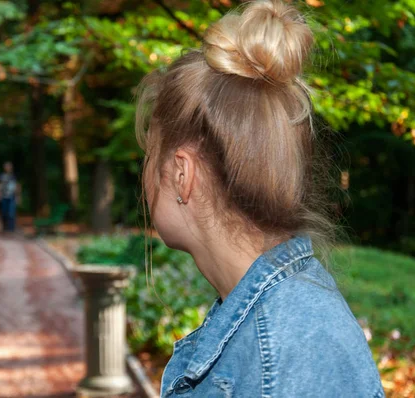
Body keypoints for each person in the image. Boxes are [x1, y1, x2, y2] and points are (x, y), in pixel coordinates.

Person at [135, 1, 385, 397]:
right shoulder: (284, 324)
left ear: (183, 174)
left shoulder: (292, 348)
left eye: (150, 156)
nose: (144, 175)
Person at [0, 162, 17, 232]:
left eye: (9, 166)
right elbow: (0, 185)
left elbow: (17, 186)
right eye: (6, 166)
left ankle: (11, 228)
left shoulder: (14, 176)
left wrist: (18, 196)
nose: (7, 168)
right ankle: (5, 227)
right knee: (4, 212)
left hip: (12, 196)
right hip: (4, 196)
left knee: (11, 212)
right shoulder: (2, 176)